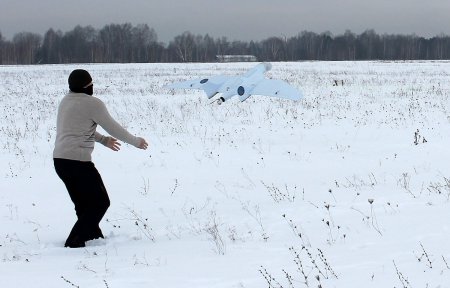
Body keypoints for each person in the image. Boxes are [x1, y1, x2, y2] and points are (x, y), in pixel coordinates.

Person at [53, 69, 148, 248]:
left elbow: (78, 128)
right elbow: (114, 128)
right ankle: (74, 242)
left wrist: (103, 140)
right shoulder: (92, 103)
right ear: (87, 86)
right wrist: (136, 141)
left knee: (83, 204)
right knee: (100, 202)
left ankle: (93, 237)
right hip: (78, 162)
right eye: (91, 84)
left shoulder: (65, 101)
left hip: (60, 161)